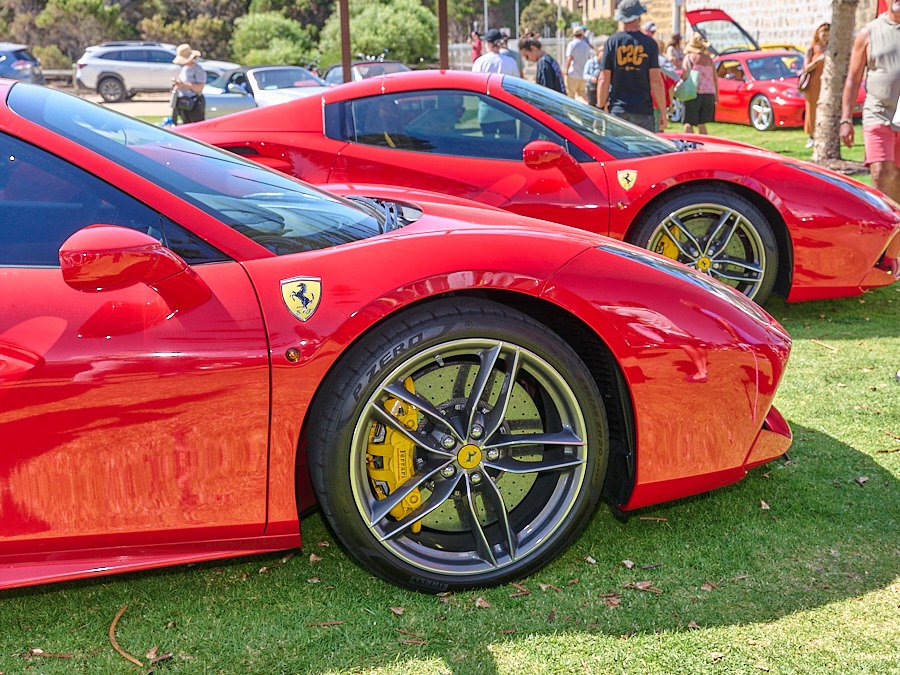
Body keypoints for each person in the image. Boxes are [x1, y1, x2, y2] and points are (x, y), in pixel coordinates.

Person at [842, 3, 900, 210]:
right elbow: (853, 79)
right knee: (880, 173)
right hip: (878, 111)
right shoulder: (869, 33)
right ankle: (886, 221)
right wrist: (846, 119)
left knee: (897, 175)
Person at [596, 0, 667, 132]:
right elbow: (656, 81)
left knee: (616, 146)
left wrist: (600, 108)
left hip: (617, 109)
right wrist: (663, 111)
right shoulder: (650, 44)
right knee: (642, 146)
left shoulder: (612, 42)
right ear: (639, 16)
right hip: (642, 110)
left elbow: (603, 79)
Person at [680, 33, 718, 135]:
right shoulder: (709, 60)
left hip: (693, 93)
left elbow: (684, 75)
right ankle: (704, 143)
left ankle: (689, 142)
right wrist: (716, 96)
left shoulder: (689, 58)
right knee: (702, 123)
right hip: (708, 94)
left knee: (688, 123)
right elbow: (715, 78)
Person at [802, 23, 830, 148]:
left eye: (828, 35)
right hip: (814, 84)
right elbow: (806, 68)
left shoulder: (831, 48)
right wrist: (818, 60)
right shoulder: (812, 49)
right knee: (812, 109)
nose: (825, 37)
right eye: (823, 34)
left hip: (827, 83)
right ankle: (811, 136)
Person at [171, 43, 206, 124]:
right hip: (184, 102)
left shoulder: (198, 69)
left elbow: (200, 87)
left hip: (194, 102)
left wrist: (184, 85)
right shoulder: (185, 69)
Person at [565, 25, 593, 102]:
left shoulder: (572, 44)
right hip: (583, 75)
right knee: (582, 95)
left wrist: (566, 71)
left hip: (573, 74)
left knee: (571, 95)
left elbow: (569, 58)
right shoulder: (586, 45)